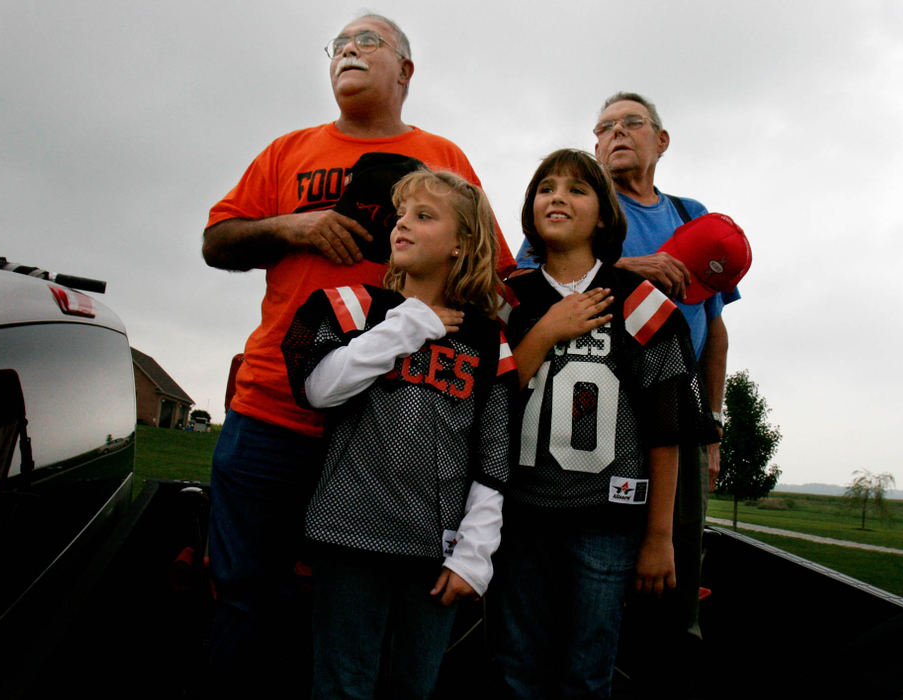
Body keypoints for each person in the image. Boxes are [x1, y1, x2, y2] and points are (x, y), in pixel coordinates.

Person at [201, 14, 514, 695]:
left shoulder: (444, 159)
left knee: (352, 619)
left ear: (405, 71)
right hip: (276, 410)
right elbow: (217, 243)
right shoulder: (287, 151)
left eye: (366, 42)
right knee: (244, 596)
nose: (347, 50)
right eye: (338, 44)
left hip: (387, 434)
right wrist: (293, 226)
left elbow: (496, 279)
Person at [515, 92, 739, 693]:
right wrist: (629, 271)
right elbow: (533, 293)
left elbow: (713, 328)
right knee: (534, 632)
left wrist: (710, 423)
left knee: (666, 566)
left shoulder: (692, 216)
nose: (616, 133)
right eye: (604, 126)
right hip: (568, 432)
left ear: (661, 140)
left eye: (631, 123)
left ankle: (660, 664)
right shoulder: (569, 217)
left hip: (666, 411)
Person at [281, 170, 515, 699]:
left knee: (412, 688)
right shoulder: (352, 307)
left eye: (424, 216)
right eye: (401, 216)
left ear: (462, 244)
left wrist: (473, 554)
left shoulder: (485, 340)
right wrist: (409, 323)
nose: (403, 225)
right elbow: (320, 387)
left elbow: (493, 457)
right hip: (348, 536)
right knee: (342, 686)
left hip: (434, 554)